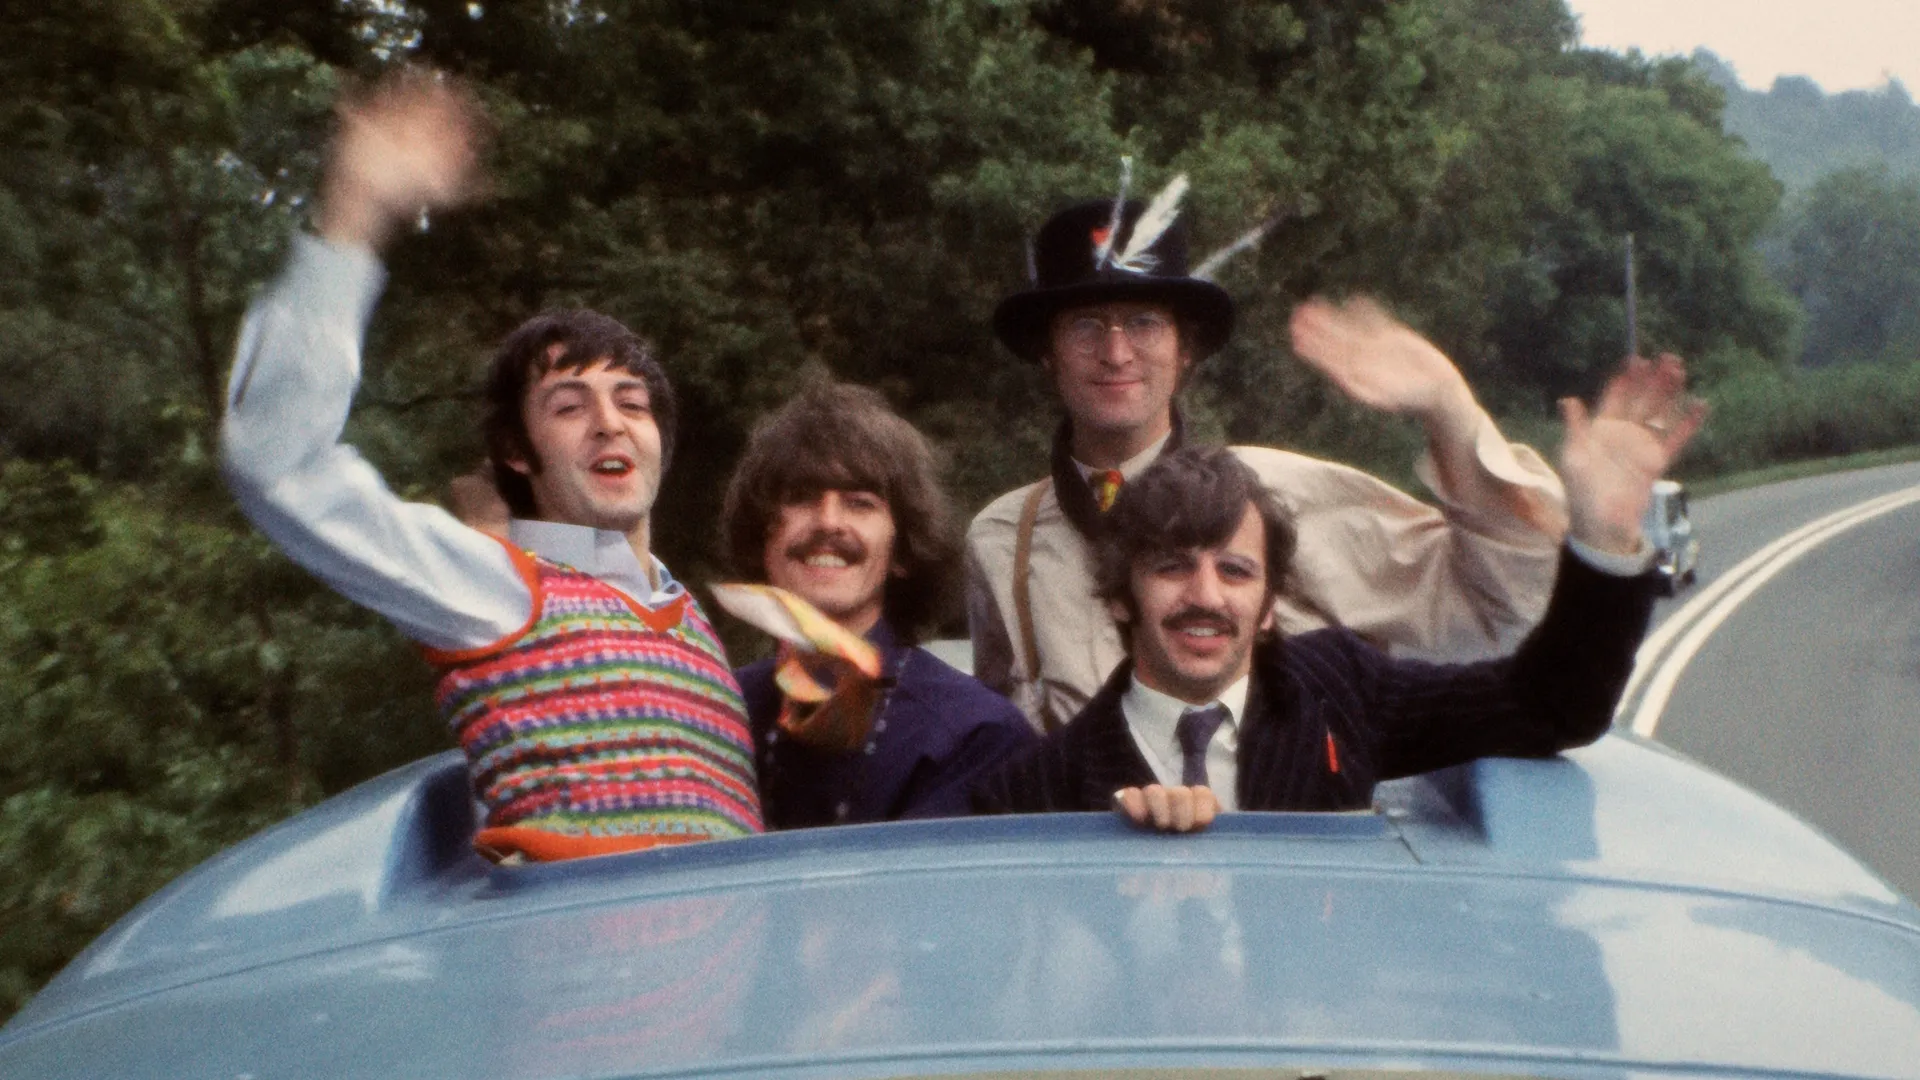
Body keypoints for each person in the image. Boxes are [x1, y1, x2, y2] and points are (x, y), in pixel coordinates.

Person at [220, 73, 761, 862]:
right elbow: (278, 468)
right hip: (573, 976)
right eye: (570, 405)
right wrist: (352, 218)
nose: (610, 420)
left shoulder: (696, 624)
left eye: (632, 401)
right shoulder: (495, 587)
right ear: (517, 450)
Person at [972, 353, 1702, 830]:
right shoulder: (1039, 786)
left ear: (1267, 607)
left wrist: (1603, 540)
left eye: (1236, 572)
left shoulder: (1339, 691)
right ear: (1121, 597)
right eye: (1171, 567)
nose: (1206, 596)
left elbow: (1551, 706)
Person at [968, 194, 1571, 731]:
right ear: (1047, 355)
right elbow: (1001, 748)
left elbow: (1507, 600)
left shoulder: (1279, 493)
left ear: (1186, 353)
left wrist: (1447, 407)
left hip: (1275, 848)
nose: (1116, 352)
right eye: (1085, 326)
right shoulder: (1002, 539)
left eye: (1145, 322)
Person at [721, 383, 1036, 828]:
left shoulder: (974, 734)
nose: (828, 521)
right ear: (761, 539)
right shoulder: (717, 709)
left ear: (903, 553)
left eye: (860, 503)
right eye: (802, 497)